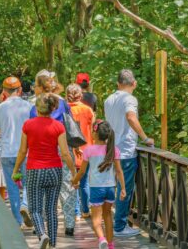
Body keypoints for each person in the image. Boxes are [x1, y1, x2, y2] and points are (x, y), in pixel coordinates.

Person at [13, 93, 76, 249]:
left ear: (37, 109)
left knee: (35, 209)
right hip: (55, 170)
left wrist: (15, 169)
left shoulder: (28, 125)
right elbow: (65, 153)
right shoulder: (58, 126)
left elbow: (22, 151)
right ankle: (53, 244)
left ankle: (42, 235)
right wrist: (75, 173)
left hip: (35, 170)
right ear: (52, 108)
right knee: (51, 209)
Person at [104, 69, 154, 237]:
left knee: (115, 188)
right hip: (125, 151)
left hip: (110, 150)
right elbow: (131, 117)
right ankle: (119, 227)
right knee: (124, 189)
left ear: (118, 83)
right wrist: (145, 138)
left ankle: (113, 223)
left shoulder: (109, 99)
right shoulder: (130, 99)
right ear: (134, 84)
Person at [30, 73, 77, 236]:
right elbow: (70, 123)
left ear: (39, 87)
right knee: (67, 184)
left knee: (40, 186)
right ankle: (69, 223)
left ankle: (41, 225)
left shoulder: (34, 104)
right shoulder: (62, 102)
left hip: (40, 149)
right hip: (62, 144)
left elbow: (30, 126)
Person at [72, 120, 126, 249]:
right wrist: (123, 188)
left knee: (96, 219)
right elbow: (119, 171)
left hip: (96, 188)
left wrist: (75, 180)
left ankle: (102, 240)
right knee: (107, 216)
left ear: (95, 133)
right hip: (110, 188)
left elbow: (83, 171)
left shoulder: (89, 150)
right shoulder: (114, 150)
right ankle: (111, 244)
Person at [0, 77, 32, 228]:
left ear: (4, 91)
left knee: (12, 186)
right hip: (26, 152)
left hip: (7, 153)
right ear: (20, 90)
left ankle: (18, 222)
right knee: (28, 184)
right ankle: (26, 205)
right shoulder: (28, 106)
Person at [66, 83, 94, 219]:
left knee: (72, 181)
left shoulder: (63, 110)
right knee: (84, 182)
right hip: (86, 150)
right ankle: (85, 210)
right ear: (80, 95)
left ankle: (75, 212)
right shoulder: (87, 110)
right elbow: (93, 130)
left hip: (68, 149)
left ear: (67, 95)